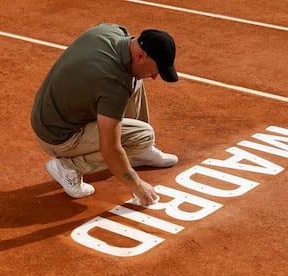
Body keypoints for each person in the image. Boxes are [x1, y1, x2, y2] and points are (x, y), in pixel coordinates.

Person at [31, 23, 179, 206]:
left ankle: (140, 153)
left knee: (135, 78)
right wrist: (137, 185)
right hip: (58, 136)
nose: (155, 76)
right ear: (141, 55)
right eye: (154, 71)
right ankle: (67, 167)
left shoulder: (113, 32)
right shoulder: (113, 83)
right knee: (143, 135)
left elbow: (125, 72)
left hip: (50, 113)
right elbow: (111, 147)